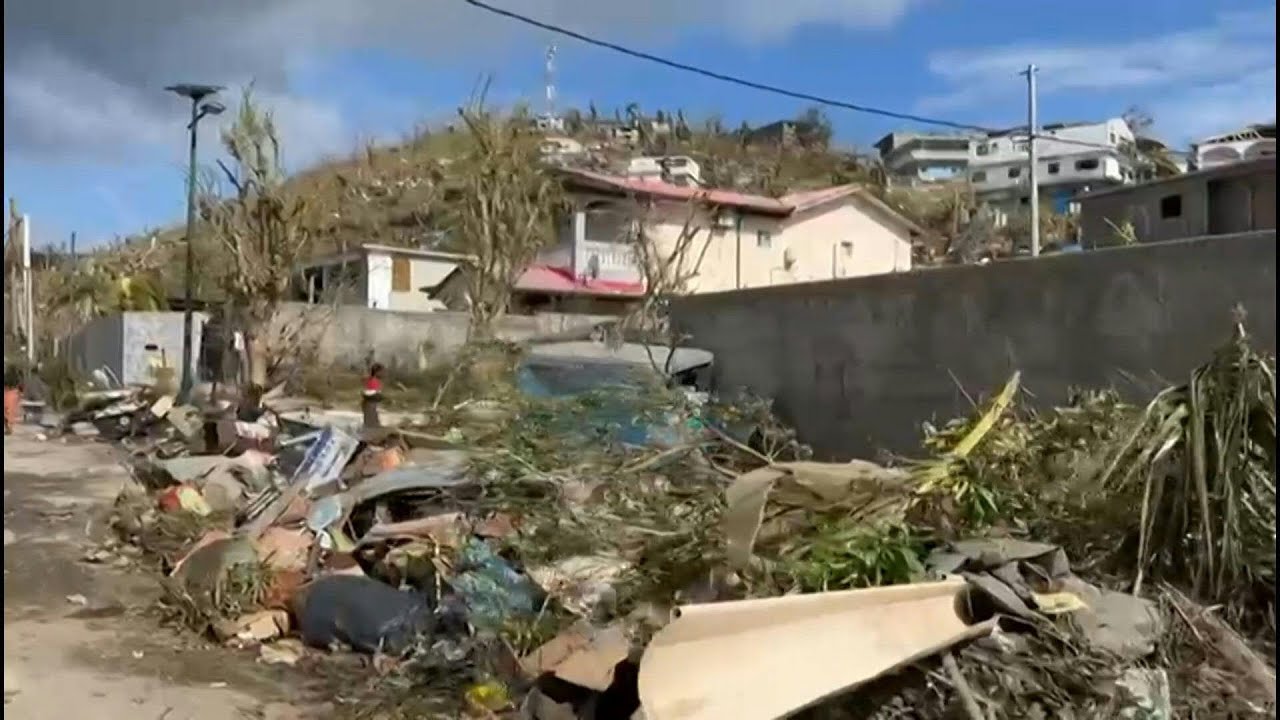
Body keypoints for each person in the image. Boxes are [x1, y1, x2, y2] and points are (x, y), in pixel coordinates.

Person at [362, 363, 385, 429]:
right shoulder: (373, 381)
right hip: (370, 404)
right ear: (377, 372)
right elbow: (370, 393)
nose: (383, 374)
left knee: (371, 422)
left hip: (370, 404)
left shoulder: (373, 380)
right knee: (371, 424)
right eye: (382, 372)